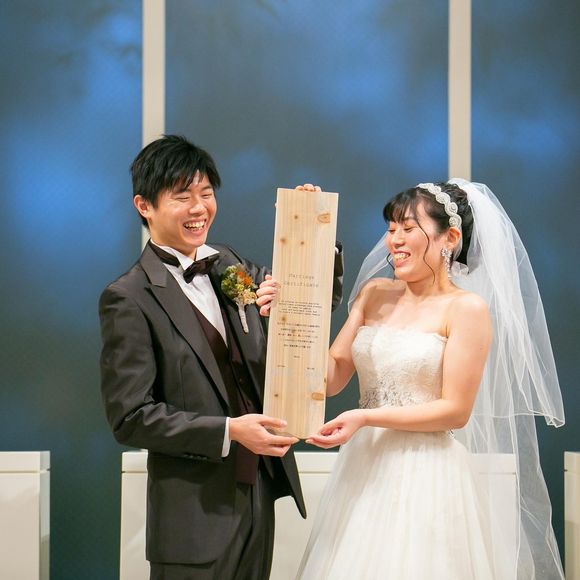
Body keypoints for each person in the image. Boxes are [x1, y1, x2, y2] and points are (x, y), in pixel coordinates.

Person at [98, 135, 343, 580]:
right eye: (182, 196)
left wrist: (310, 225)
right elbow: (130, 417)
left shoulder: (229, 265)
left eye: (206, 193)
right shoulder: (128, 297)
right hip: (192, 516)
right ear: (144, 205)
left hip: (259, 494)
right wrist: (230, 432)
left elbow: (307, 303)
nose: (199, 208)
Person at [293, 179, 565, 579]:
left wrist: (365, 417)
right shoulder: (373, 294)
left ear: (449, 238)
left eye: (408, 228)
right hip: (363, 468)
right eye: (391, 229)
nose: (394, 240)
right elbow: (331, 379)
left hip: (425, 473)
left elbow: (454, 411)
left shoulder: (466, 309)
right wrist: (302, 285)